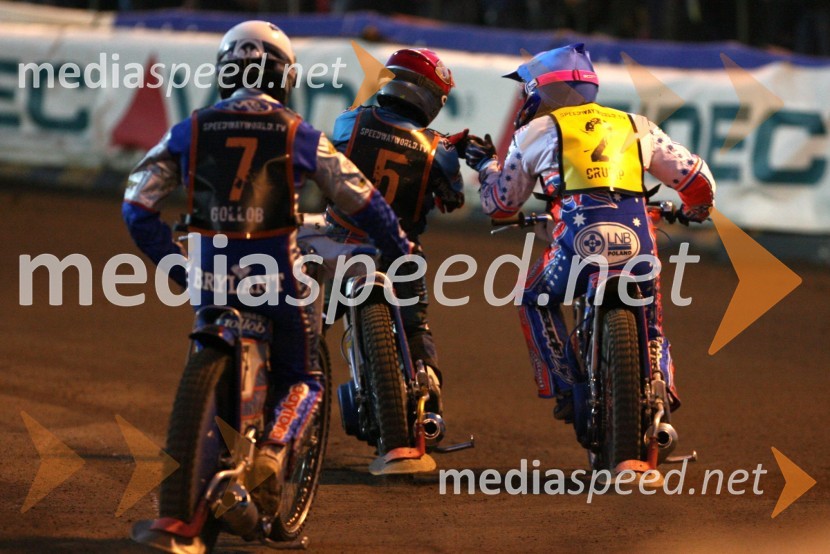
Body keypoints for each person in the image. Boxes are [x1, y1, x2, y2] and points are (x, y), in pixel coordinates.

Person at [122, 20, 413, 514]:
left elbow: (137, 204)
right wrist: (399, 245)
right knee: (305, 378)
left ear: (225, 71)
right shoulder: (298, 133)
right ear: (284, 77)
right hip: (278, 277)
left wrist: (179, 268)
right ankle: (275, 454)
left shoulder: (189, 129)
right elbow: (360, 197)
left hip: (211, 279)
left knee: (205, 333)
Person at [464, 43, 715, 424]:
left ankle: (564, 386)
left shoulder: (536, 131)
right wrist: (696, 209)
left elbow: (500, 204)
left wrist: (486, 167)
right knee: (650, 324)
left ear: (544, 90)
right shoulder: (636, 124)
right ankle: (661, 390)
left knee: (531, 295)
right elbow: (697, 179)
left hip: (575, 243)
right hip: (637, 241)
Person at [328, 48, 467, 418]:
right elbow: (453, 200)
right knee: (415, 324)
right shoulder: (440, 148)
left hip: (337, 242)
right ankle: (428, 387)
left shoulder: (348, 122)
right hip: (401, 251)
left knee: (304, 324)